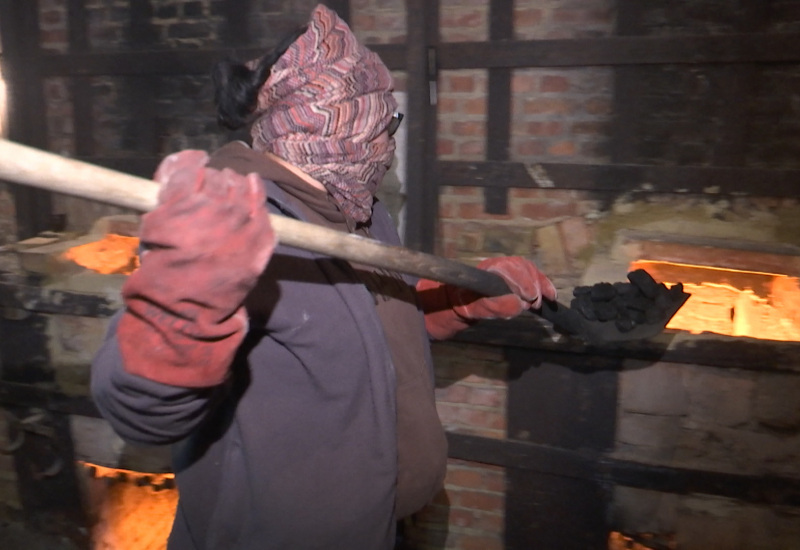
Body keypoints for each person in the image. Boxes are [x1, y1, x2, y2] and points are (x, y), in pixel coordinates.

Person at [90, 5, 557, 549]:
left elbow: (368, 327)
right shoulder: (237, 230)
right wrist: (184, 295)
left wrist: (458, 302)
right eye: (385, 127)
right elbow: (137, 407)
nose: (389, 147)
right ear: (341, 128)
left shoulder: (357, 211)